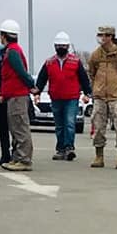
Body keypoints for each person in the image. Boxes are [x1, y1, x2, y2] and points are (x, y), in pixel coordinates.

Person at [33, 31, 92, 161]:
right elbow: (42, 79)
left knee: (70, 123)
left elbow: (83, 79)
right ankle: (60, 149)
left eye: (63, 45)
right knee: (59, 125)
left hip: (71, 98)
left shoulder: (75, 62)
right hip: (56, 98)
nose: (61, 48)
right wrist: (37, 93)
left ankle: (69, 147)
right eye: (59, 45)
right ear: (55, 46)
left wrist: (88, 93)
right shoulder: (49, 62)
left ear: (68, 46)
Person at [87, 26, 117, 169]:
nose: (102, 38)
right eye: (100, 35)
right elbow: (92, 72)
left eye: (105, 35)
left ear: (111, 36)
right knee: (98, 125)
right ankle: (99, 155)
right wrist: (97, 87)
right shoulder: (96, 55)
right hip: (100, 95)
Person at [0, 19, 35, 172]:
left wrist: (32, 85)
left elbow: (21, 72)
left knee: (20, 128)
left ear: (5, 36)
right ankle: (18, 157)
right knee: (16, 127)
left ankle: (24, 159)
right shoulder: (12, 50)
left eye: (0, 35)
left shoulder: (12, 52)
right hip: (12, 95)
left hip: (17, 96)